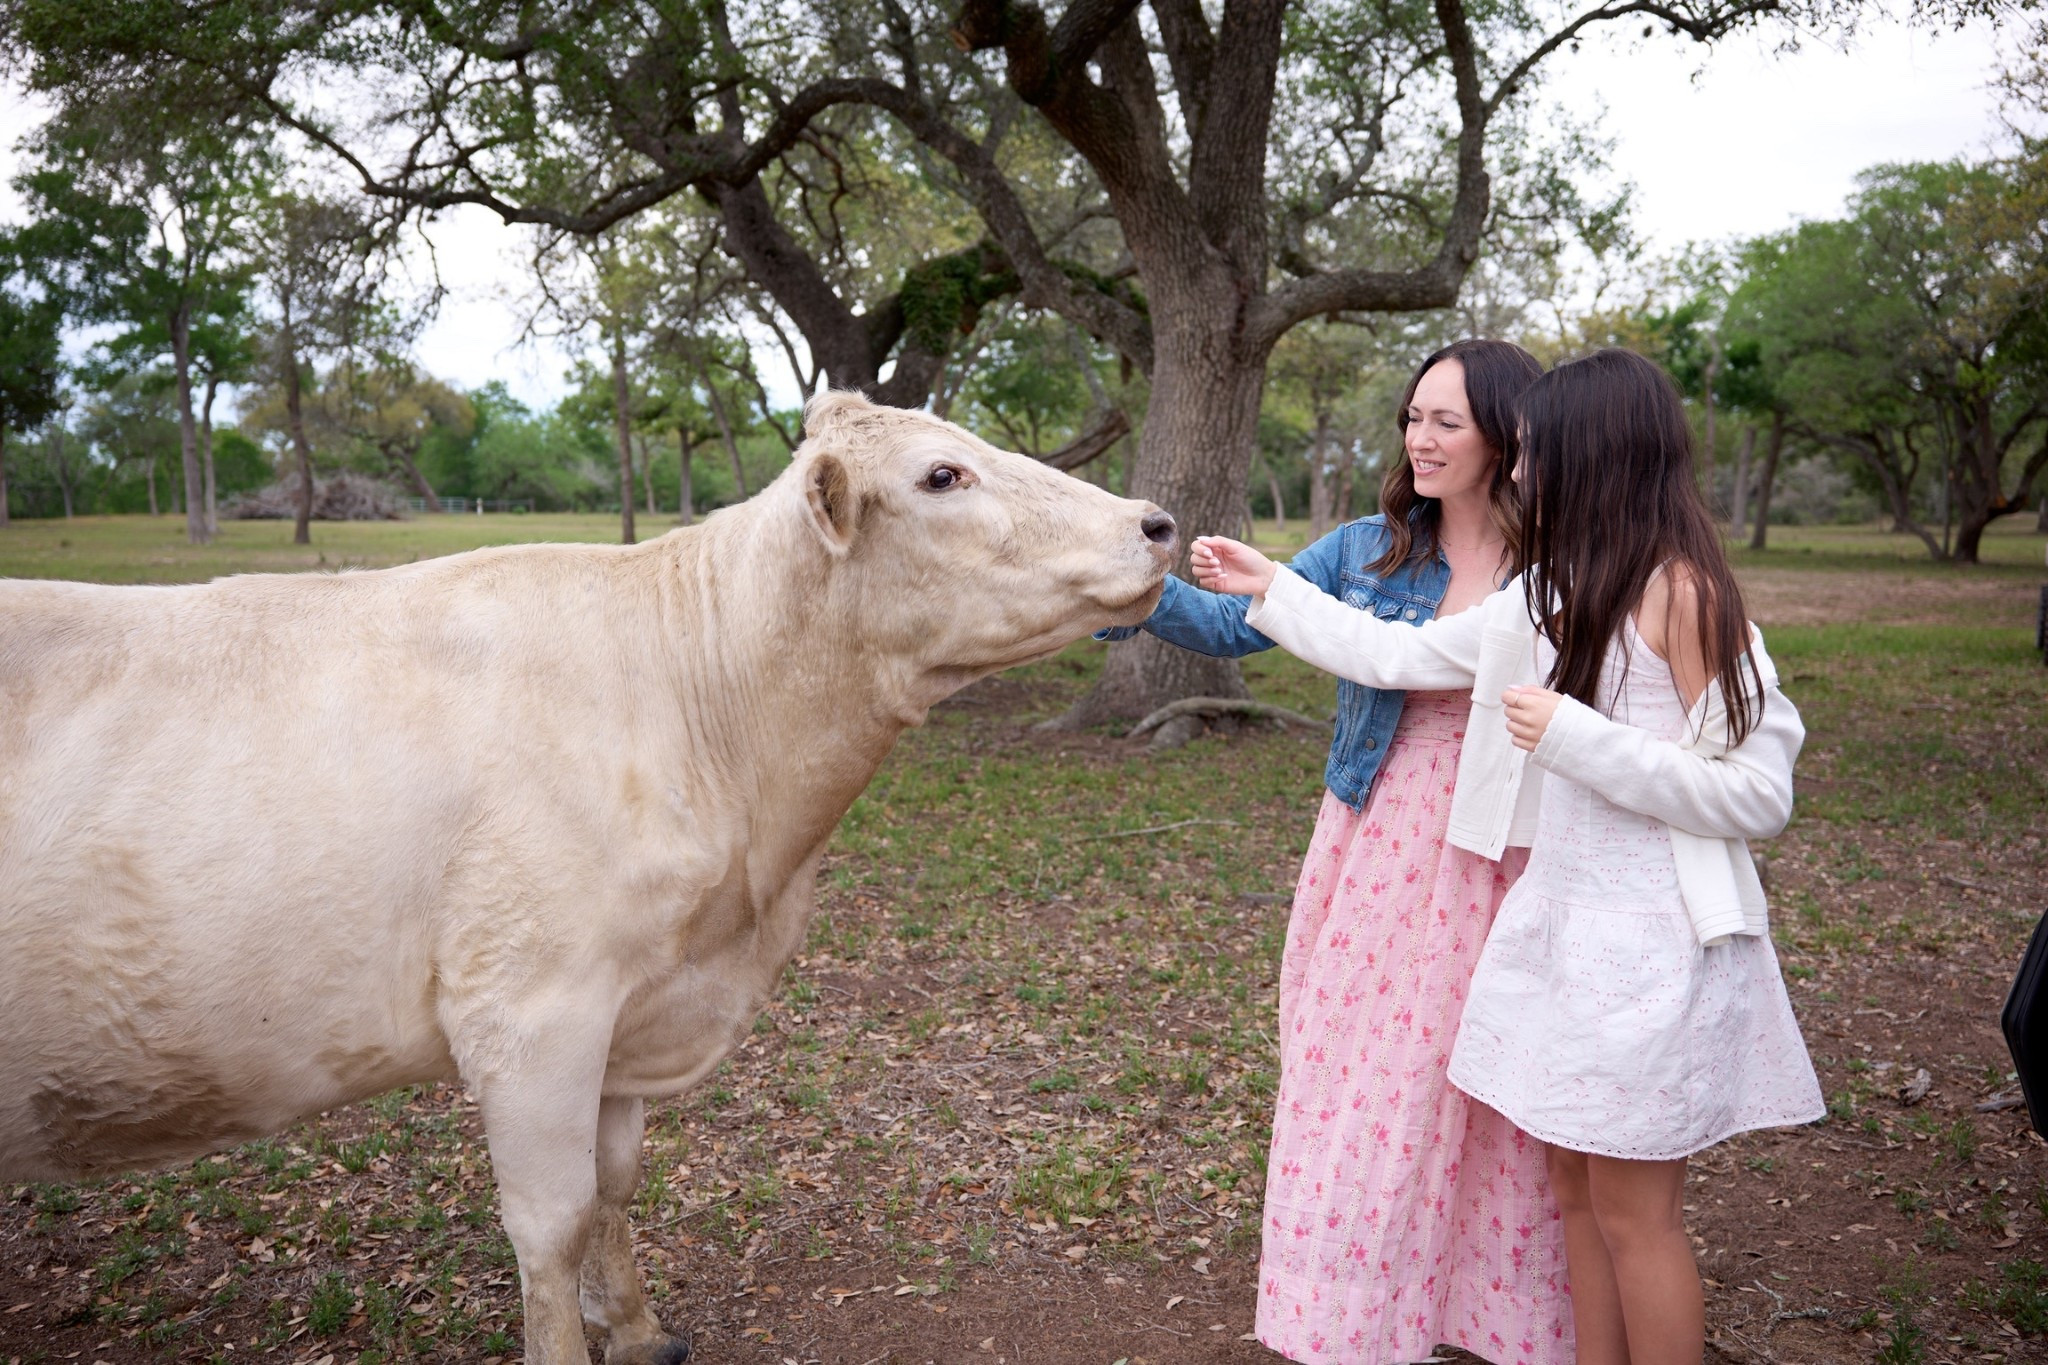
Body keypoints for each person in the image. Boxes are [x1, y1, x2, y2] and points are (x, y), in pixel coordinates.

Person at [1192, 347, 1826, 1365]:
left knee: (1632, 1213)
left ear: (1595, 454)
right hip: (1558, 929)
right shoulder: (1552, 593)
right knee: (1570, 1193)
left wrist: (1577, 737)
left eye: (1532, 452)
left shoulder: (1686, 596)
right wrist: (1274, 588)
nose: (1518, 474)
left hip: (1650, 943)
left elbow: (1757, 794)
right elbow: (1393, 657)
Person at [1101, 339, 1573, 1364]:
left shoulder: (1565, 558)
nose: (1420, 437)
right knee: (1367, 1074)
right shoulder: (1368, 547)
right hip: (1386, 836)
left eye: (1446, 419)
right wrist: (1117, 585)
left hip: (1515, 845)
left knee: (1492, 1083)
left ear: (1511, 433)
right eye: (1412, 417)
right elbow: (1234, 628)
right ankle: (1355, 1318)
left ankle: (1489, 1313)